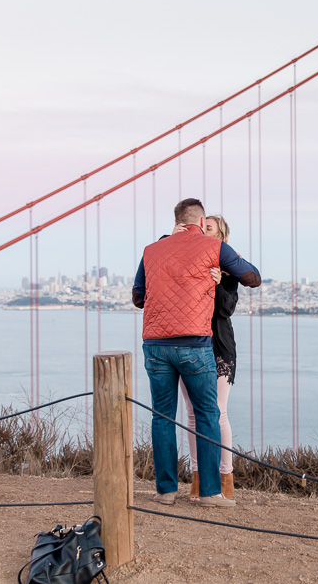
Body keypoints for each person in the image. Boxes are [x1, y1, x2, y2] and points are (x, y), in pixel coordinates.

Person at [132, 198, 261, 508]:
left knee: (162, 416)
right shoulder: (213, 248)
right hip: (194, 345)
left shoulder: (152, 250)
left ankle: (165, 491)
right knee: (207, 414)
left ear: (177, 221)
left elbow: (138, 297)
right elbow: (253, 277)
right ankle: (211, 493)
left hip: (155, 345)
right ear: (202, 223)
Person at [179, 215, 240, 502]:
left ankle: (225, 479)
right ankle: (198, 479)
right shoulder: (187, 265)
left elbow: (226, 310)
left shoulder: (228, 270)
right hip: (189, 345)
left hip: (218, 347)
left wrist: (216, 284)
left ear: (222, 239)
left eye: (210, 229)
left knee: (217, 411)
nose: (202, 233)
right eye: (200, 229)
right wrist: (172, 238)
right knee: (191, 413)